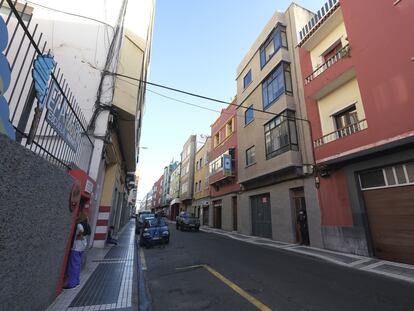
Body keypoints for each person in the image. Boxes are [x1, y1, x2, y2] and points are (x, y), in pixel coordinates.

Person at [64, 210, 88, 289]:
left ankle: (72, 283)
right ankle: (76, 281)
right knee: (77, 265)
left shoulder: (79, 225)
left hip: (76, 248)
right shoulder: (86, 224)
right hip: (82, 247)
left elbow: (81, 231)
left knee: (73, 265)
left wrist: (78, 236)